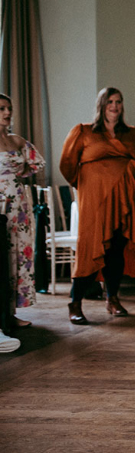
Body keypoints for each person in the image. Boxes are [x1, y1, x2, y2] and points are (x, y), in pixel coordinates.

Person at [60, 87, 135, 324]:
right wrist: (91, 184)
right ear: (101, 105)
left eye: (119, 101)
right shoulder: (84, 132)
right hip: (96, 202)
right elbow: (67, 165)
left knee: (116, 250)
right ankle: (75, 302)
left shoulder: (133, 134)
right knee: (90, 248)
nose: (115, 106)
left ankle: (112, 298)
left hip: (125, 202)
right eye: (110, 101)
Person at [0, 93, 45, 328]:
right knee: (0, 256)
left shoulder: (17, 141)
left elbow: (39, 162)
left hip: (18, 202)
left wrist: (21, 172)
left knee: (17, 255)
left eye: (9, 108)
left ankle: (11, 312)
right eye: (1, 109)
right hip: (0, 203)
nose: (7, 113)